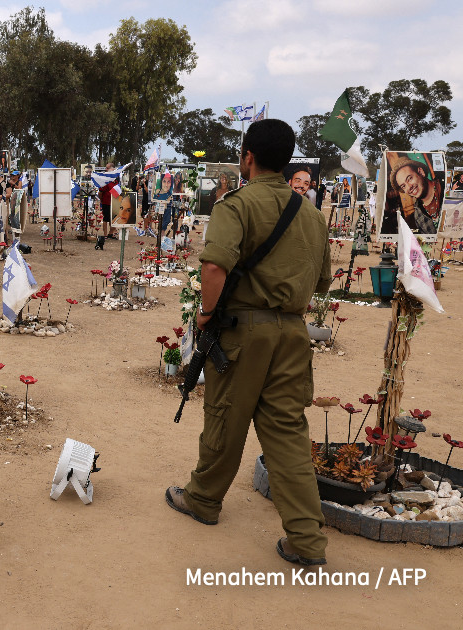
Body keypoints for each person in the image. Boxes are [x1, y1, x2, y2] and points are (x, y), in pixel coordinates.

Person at [165, 119, 331, 566]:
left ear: (248, 158)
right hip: (292, 333)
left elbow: (214, 268)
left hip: (244, 330)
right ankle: (306, 539)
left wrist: (204, 314)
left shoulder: (234, 205)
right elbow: (323, 280)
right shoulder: (312, 216)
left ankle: (202, 500)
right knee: (288, 433)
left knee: (225, 416)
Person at [384, 155, 443, 235]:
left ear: (421, 172)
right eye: (403, 186)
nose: (409, 187)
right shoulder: (418, 215)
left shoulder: (445, 189)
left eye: (409, 178)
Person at [99, 162, 117, 238]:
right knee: (106, 219)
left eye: (107, 168)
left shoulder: (116, 179)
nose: (106, 169)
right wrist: (101, 200)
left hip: (114, 202)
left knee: (113, 219)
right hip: (106, 202)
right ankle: (105, 234)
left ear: (112, 169)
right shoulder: (105, 180)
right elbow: (100, 192)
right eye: (106, 168)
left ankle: (111, 233)